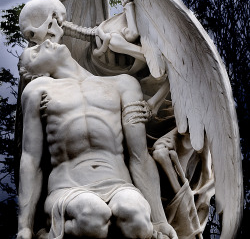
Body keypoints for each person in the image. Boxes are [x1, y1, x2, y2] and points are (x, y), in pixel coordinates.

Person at [17, 39, 177, 239]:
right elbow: (31, 159)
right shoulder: (39, 90)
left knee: (137, 219)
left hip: (118, 183)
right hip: (69, 187)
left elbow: (140, 156)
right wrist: (24, 225)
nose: (46, 42)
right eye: (34, 53)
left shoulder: (123, 83)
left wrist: (160, 220)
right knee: (91, 215)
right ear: (37, 73)